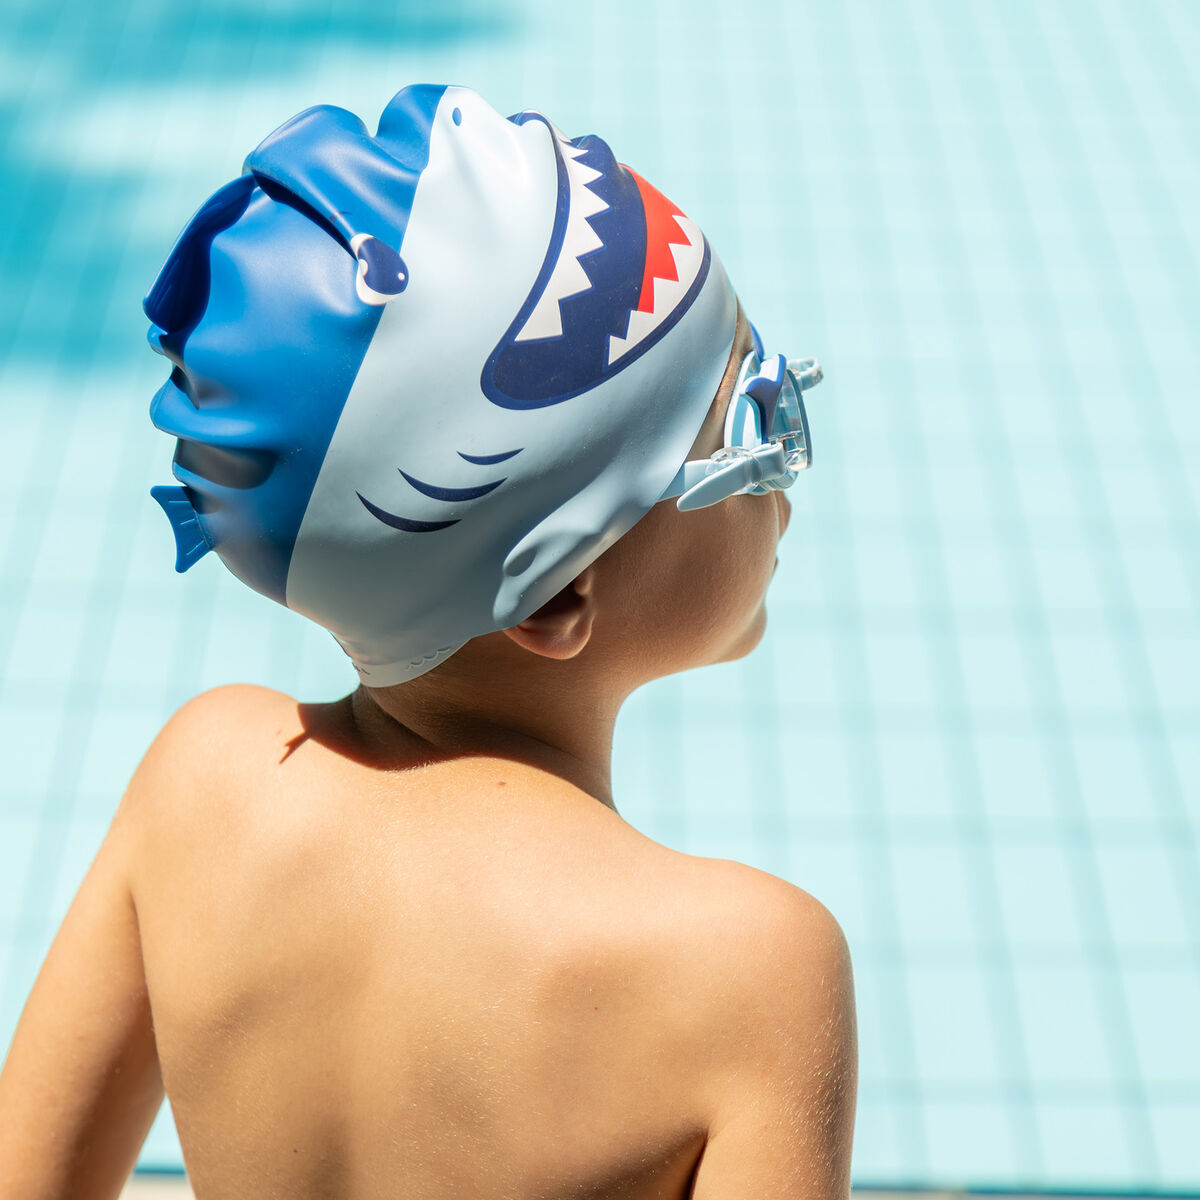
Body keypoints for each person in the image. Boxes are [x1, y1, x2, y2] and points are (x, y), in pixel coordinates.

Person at [0, 83, 857, 1200]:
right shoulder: (750, 974)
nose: (790, 463)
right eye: (754, 422)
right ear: (556, 594)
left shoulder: (200, 782)